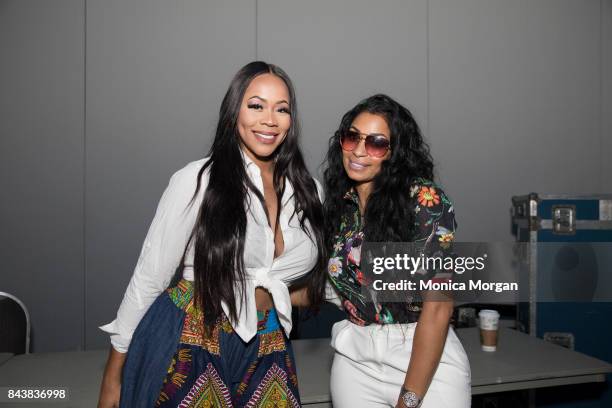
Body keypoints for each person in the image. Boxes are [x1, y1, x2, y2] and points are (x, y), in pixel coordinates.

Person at [97, 61, 327, 408]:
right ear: (234, 111)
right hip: (192, 335)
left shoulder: (309, 191)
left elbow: (311, 286)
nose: (269, 119)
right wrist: (113, 377)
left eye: (282, 109)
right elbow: (149, 279)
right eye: (256, 105)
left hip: (269, 338)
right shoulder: (197, 179)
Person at [322, 94, 471, 407]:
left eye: (376, 143)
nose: (359, 151)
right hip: (355, 361)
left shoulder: (426, 200)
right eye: (352, 137)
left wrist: (410, 399)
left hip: (425, 358)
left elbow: (439, 306)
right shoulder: (338, 205)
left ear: (395, 152)